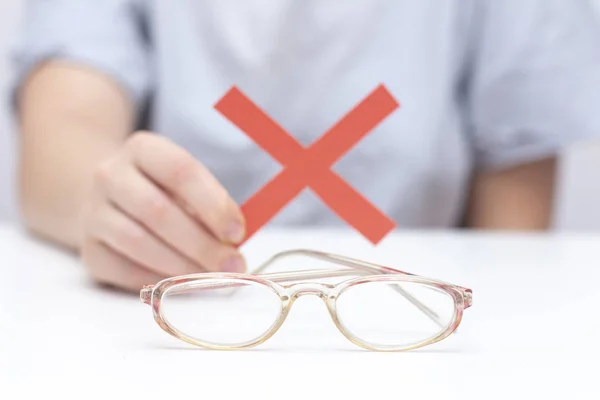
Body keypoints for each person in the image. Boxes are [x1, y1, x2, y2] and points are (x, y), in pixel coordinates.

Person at [9, 0, 600, 292]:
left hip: (410, 325)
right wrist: (109, 207)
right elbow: (65, 126)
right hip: (182, 315)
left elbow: (515, 235)